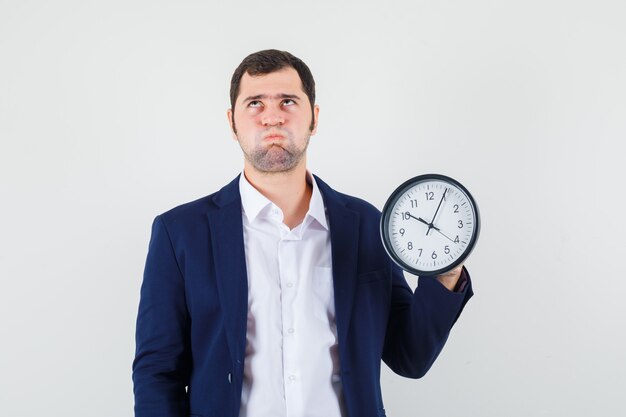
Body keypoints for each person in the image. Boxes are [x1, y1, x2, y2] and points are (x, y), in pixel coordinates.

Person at [132, 49, 473, 417]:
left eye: (288, 101)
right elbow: (157, 374)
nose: (272, 116)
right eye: (255, 104)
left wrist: (446, 272)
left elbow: (411, 356)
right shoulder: (179, 233)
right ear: (232, 122)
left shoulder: (366, 224)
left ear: (314, 119)